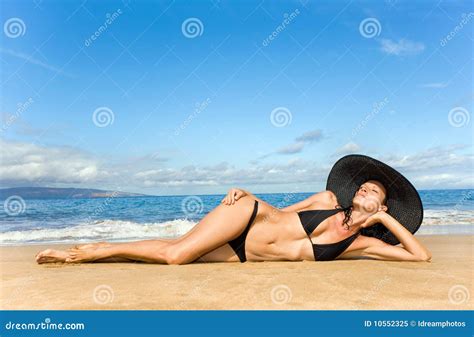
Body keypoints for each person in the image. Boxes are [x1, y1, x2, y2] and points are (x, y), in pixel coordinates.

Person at [35, 154, 431, 264]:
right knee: (176, 256)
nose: (363, 189)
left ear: (383, 204)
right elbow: (279, 212)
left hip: (244, 255)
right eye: (362, 185)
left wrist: (381, 220)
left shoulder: (361, 244)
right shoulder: (326, 200)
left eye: (373, 191)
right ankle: (88, 253)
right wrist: (247, 194)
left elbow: (421, 256)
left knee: (174, 251)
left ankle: (103, 248)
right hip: (248, 216)